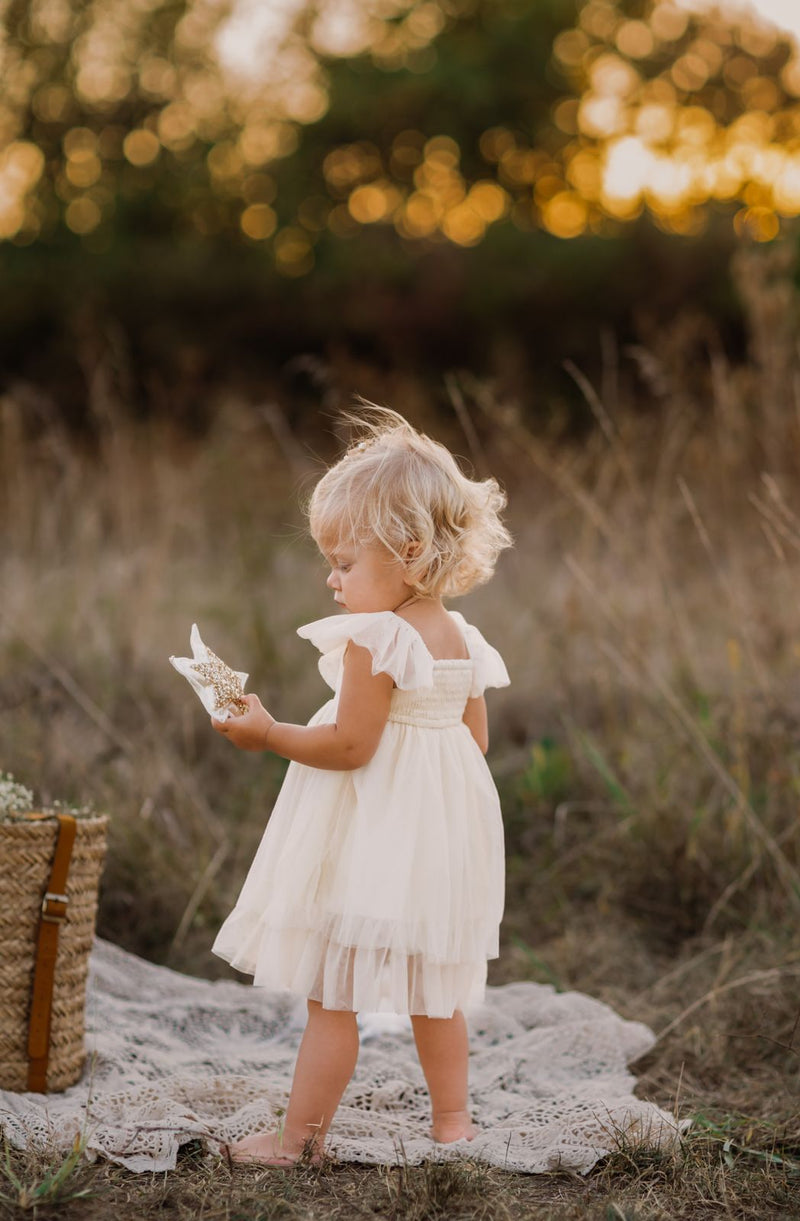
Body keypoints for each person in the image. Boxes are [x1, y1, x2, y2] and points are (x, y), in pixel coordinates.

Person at [210, 407, 512, 1166]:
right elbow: (474, 741)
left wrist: (269, 732)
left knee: (332, 992)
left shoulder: (375, 641)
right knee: (434, 991)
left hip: (370, 838)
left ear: (409, 554)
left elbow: (350, 745)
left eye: (346, 561)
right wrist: (433, 796)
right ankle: (453, 1124)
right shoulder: (463, 638)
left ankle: (298, 1138)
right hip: (436, 839)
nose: (332, 577)